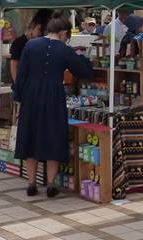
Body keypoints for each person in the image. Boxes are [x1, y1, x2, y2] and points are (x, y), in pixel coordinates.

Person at [13, 16, 93, 198]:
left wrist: (18, 98)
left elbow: (21, 75)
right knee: (53, 135)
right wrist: (84, 57)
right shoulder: (64, 50)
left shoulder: (31, 45)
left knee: (31, 136)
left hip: (31, 95)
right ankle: (50, 184)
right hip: (54, 96)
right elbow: (83, 71)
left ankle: (31, 183)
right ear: (64, 32)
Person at [9, 9, 53, 81]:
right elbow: (14, 65)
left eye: (44, 31)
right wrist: (18, 85)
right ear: (32, 26)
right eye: (39, 29)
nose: (40, 34)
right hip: (23, 85)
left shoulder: (41, 43)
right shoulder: (19, 43)